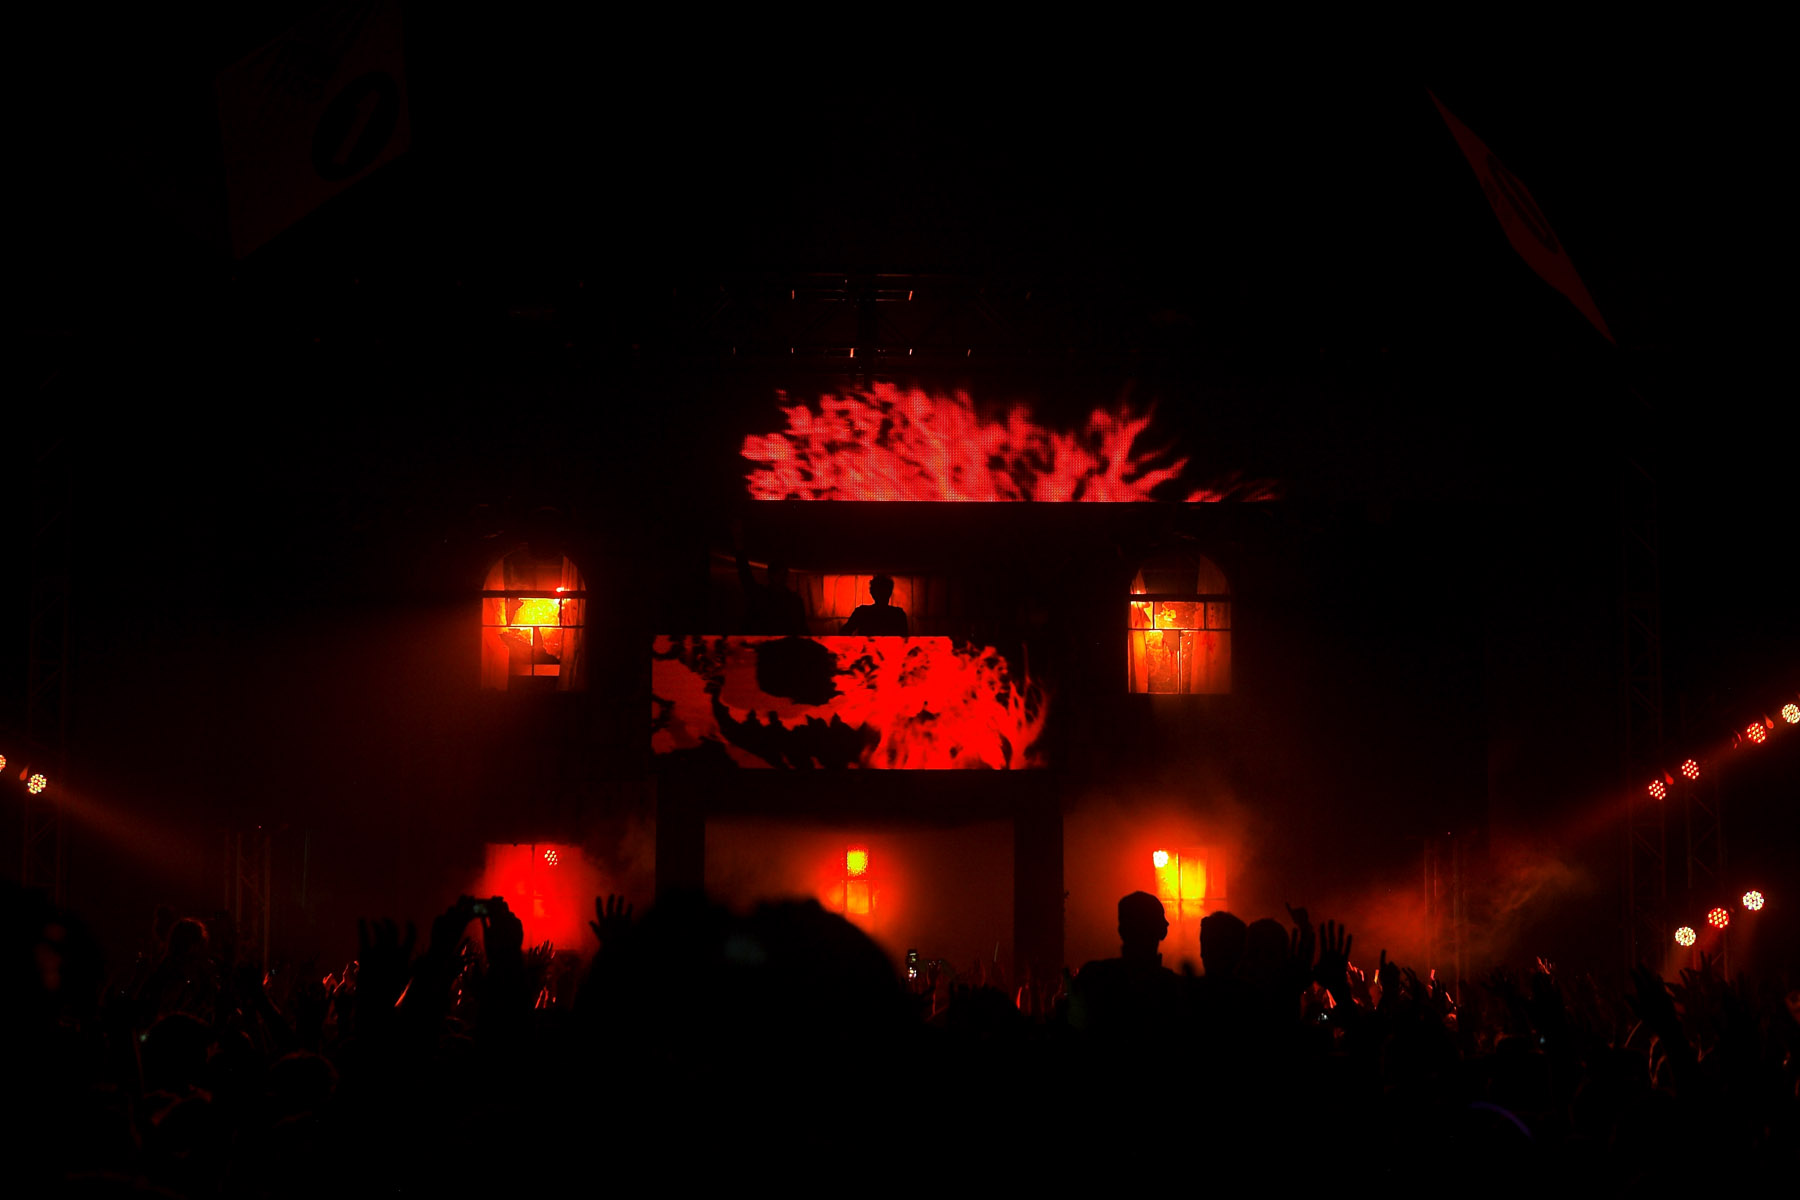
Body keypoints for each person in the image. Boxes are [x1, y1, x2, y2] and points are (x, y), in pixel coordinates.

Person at [737, 550, 808, 635]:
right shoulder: (762, 597)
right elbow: (747, 579)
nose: (782, 578)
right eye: (779, 574)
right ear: (771, 575)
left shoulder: (794, 601)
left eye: (784, 574)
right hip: (768, 639)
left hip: (783, 640)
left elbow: (802, 626)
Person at [839, 574, 909, 636]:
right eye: (879, 591)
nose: (881, 594)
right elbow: (905, 638)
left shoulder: (862, 612)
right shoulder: (898, 614)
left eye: (883, 591)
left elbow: (844, 632)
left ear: (872, 593)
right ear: (890, 592)